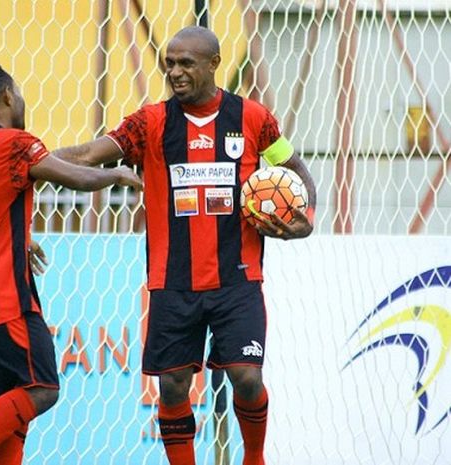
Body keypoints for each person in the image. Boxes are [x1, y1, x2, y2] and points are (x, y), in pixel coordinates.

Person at [53, 26, 316, 465]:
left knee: (246, 377)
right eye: (169, 63)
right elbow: (89, 155)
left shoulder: (254, 118)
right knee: (173, 384)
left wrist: (306, 220)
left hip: (238, 278)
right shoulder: (150, 123)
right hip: (173, 282)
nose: (174, 71)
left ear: (213, 64)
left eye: (185, 63)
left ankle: (254, 458)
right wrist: (33, 159)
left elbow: (294, 167)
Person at [0, 60, 142, 465]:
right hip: (0, 292)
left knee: (13, 406)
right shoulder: (14, 142)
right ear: (8, 95)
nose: (22, 98)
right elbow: (72, 176)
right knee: (42, 387)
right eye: (19, 91)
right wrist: (117, 175)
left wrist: (21, 239)